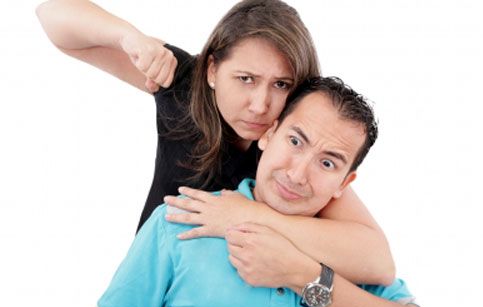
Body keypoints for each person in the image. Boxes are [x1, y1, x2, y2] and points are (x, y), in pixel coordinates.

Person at [36, 0, 394, 287]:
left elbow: (377, 261)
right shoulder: (182, 84)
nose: (260, 106)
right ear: (211, 71)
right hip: (149, 286)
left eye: (281, 85)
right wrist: (129, 38)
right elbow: (52, 14)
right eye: (245, 79)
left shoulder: (291, 153)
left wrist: (246, 214)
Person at [87, 77, 435, 307]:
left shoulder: (351, 258)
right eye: (296, 141)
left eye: (327, 163)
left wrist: (304, 276)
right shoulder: (180, 221)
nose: (298, 174)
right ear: (268, 134)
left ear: (344, 183)